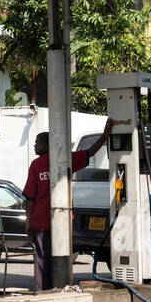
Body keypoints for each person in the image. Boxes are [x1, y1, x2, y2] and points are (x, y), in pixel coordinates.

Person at [23, 121, 117, 291]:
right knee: (58, 257)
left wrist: (28, 219)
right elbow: (90, 152)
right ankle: (57, 287)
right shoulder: (66, 160)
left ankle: (42, 290)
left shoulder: (37, 165)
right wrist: (105, 135)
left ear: (44, 144)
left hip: (41, 222)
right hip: (62, 222)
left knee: (42, 259)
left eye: (37, 142)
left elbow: (30, 196)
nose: (35, 146)